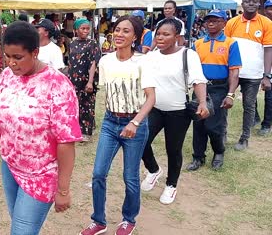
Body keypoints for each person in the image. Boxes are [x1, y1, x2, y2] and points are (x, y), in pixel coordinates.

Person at [0, 21, 81, 235]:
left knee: (21, 232)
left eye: (18, 57)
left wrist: (63, 190)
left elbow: (66, 140)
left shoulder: (58, 85)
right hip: (10, 166)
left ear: (35, 53)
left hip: (41, 174)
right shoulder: (7, 76)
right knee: (19, 224)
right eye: (7, 56)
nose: (11, 63)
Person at [79, 16, 156, 235]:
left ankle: (128, 219)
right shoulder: (105, 61)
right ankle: (99, 221)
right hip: (110, 122)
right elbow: (108, 93)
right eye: (117, 30)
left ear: (135, 36)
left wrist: (134, 122)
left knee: (130, 176)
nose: (119, 34)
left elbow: (150, 98)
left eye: (126, 31)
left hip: (135, 125)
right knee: (98, 174)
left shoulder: (143, 62)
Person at [140, 18, 209, 205]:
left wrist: (202, 102)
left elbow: (198, 80)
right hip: (154, 109)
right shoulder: (152, 56)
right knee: (141, 142)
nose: (160, 37)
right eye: (158, 34)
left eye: (166, 34)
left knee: (173, 149)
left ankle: (171, 185)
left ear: (177, 36)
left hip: (178, 112)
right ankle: (154, 170)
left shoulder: (188, 55)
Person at [186, 10, 242, 171]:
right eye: (208, 20)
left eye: (215, 20)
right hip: (200, 85)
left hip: (219, 88)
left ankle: (219, 152)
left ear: (224, 23)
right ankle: (198, 157)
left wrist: (230, 94)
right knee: (198, 123)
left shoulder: (231, 43)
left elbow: (234, 71)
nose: (210, 23)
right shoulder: (197, 43)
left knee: (213, 125)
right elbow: (190, 67)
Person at [225, 0, 272, 150]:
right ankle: (222, 133)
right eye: (247, 1)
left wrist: (266, 75)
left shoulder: (266, 23)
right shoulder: (232, 23)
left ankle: (244, 138)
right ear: (242, 4)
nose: (251, 3)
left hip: (253, 74)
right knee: (224, 102)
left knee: (249, 106)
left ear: (259, 5)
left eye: (254, 1)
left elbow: (268, 50)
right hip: (232, 72)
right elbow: (226, 47)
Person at [68, 18, 101, 142]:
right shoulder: (72, 43)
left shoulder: (92, 43)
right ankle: (75, 130)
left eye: (88, 28)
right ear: (76, 30)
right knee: (74, 105)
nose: (86, 31)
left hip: (87, 79)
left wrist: (90, 81)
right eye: (83, 28)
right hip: (73, 79)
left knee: (87, 105)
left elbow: (93, 63)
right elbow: (71, 62)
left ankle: (86, 132)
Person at [254, 0, 272, 136]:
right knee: (250, 92)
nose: (271, 11)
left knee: (269, 96)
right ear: (264, 10)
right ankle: (254, 117)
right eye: (269, 8)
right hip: (257, 63)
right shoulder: (260, 24)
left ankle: (266, 124)